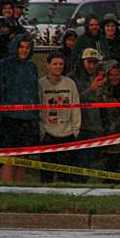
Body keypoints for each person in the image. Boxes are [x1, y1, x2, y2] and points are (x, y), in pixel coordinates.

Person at [0, 33, 40, 183]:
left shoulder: (32, 67)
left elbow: (34, 92)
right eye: (21, 47)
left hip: (28, 118)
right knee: (10, 155)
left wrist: (36, 116)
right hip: (9, 118)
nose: (24, 50)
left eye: (27, 47)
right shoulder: (4, 65)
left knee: (23, 156)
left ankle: (18, 187)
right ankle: (6, 187)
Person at [38, 50, 81, 183]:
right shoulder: (40, 84)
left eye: (61, 64)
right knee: (47, 175)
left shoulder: (70, 83)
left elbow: (76, 106)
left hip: (67, 134)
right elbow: (37, 109)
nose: (58, 67)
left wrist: (75, 130)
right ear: (48, 65)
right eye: (55, 64)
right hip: (48, 134)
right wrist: (42, 131)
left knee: (66, 175)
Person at [81, 59, 120, 174]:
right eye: (111, 75)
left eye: (117, 75)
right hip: (106, 137)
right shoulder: (102, 91)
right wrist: (91, 90)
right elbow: (83, 101)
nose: (114, 78)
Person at [69, 48, 106, 173]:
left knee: (93, 162)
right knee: (80, 162)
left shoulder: (100, 77)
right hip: (80, 126)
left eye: (95, 62)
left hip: (96, 125)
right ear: (82, 62)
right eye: (89, 62)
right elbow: (73, 101)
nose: (92, 65)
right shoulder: (73, 78)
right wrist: (90, 89)